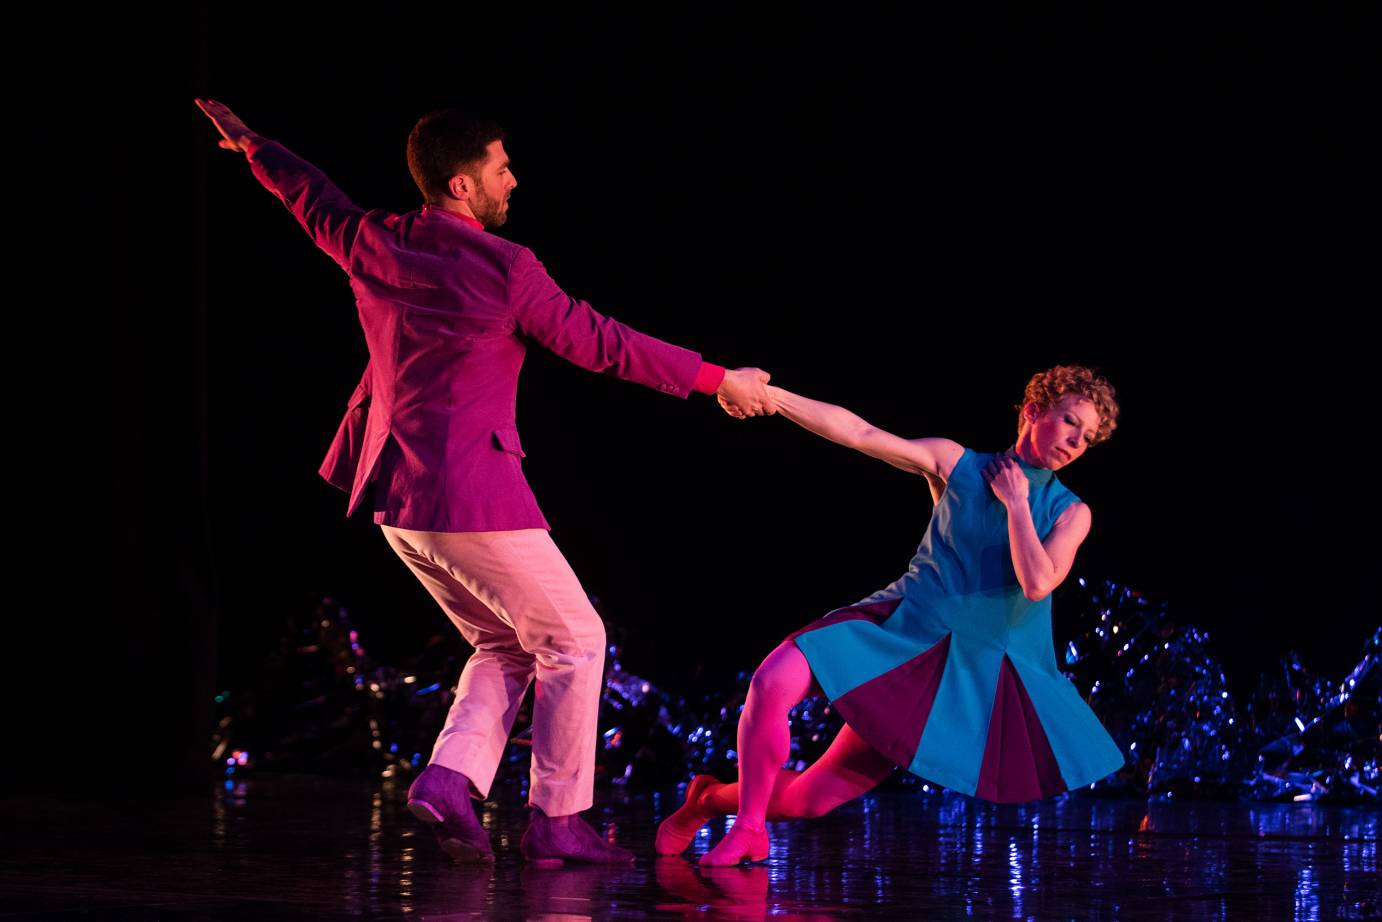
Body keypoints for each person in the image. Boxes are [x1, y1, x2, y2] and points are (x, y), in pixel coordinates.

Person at [195, 99, 776, 864]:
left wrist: (256, 148)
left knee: (505, 643)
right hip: (467, 492)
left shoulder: (371, 239)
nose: (513, 179)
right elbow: (600, 342)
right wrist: (715, 379)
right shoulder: (506, 269)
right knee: (577, 639)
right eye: (501, 168)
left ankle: (446, 781)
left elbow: (312, 197)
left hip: (396, 498)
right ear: (463, 185)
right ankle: (557, 821)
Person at [658, 364, 1126, 865]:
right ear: (1035, 411)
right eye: (1071, 422)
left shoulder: (1070, 512)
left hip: (957, 674)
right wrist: (772, 398)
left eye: (1089, 437)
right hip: (898, 626)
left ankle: (707, 800)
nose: (1078, 442)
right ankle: (749, 826)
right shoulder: (957, 463)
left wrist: (1016, 503)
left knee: (809, 800)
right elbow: (860, 433)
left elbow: (1037, 583)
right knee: (772, 681)